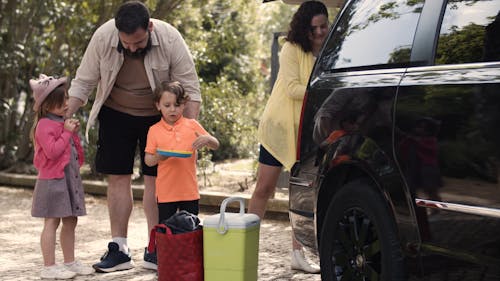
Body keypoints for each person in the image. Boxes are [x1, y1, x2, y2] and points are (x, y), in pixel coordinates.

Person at [66, 1, 201, 273]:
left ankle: (155, 247)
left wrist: (187, 132)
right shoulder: (104, 37)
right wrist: (58, 121)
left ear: (149, 27)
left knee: (156, 180)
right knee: (117, 177)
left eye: (138, 42)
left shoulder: (170, 38)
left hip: (158, 118)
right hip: (116, 112)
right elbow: (83, 84)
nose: (131, 48)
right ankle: (119, 248)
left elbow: (190, 89)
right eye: (126, 43)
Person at [248, 0, 329, 274]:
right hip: (281, 127)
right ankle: (245, 245)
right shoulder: (291, 48)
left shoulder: (331, 50)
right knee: (264, 189)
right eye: (314, 28)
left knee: (301, 196)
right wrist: (326, 87)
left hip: (308, 133)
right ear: (303, 28)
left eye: (323, 26)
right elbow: (294, 88)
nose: (319, 32)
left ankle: (299, 254)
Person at [29, 74, 94, 279]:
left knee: (71, 220)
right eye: (62, 100)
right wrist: (66, 133)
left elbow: (73, 153)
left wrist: (71, 132)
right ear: (48, 105)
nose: (67, 103)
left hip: (67, 180)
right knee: (52, 222)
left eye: (67, 98)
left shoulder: (61, 121)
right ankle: (49, 266)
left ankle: (69, 261)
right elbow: (53, 152)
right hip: (52, 182)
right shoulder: (44, 125)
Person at [144, 81, 219, 223]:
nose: (173, 109)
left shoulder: (192, 125)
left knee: (191, 230)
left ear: (184, 104)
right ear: (158, 105)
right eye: (167, 105)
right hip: (166, 193)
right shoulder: (154, 130)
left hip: (189, 192)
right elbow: (148, 160)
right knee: (168, 232)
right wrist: (159, 157)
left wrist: (208, 139)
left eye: (177, 105)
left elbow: (215, 145)